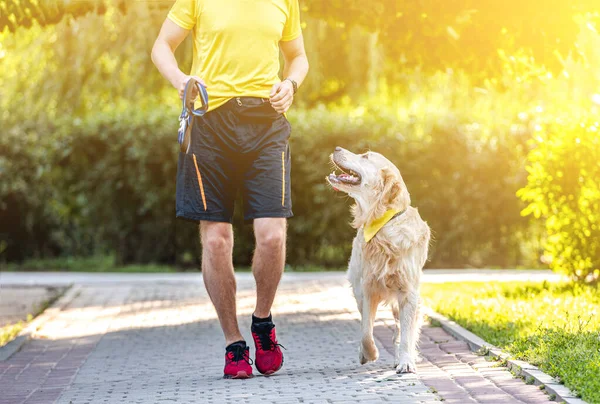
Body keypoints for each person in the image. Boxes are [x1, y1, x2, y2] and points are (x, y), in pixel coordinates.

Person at [151, 0, 309, 379]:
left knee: (271, 237)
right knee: (216, 240)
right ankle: (233, 343)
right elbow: (161, 46)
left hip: (267, 123)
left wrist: (290, 84)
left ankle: (262, 322)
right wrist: (181, 80)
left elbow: (298, 56)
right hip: (209, 124)